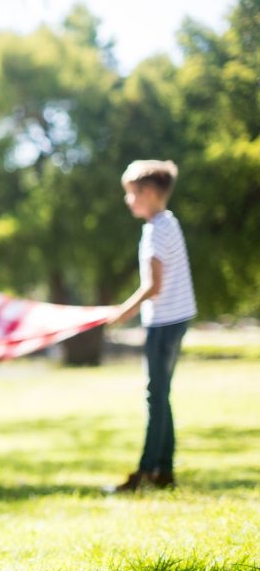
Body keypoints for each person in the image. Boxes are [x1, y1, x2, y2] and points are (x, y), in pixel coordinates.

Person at [106, 160, 196, 493]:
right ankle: (163, 471)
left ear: (148, 193)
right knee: (162, 395)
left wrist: (123, 312)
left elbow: (153, 286)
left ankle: (146, 471)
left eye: (131, 195)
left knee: (155, 397)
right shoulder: (168, 223)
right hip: (177, 318)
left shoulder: (157, 230)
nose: (129, 201)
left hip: (164, 323)